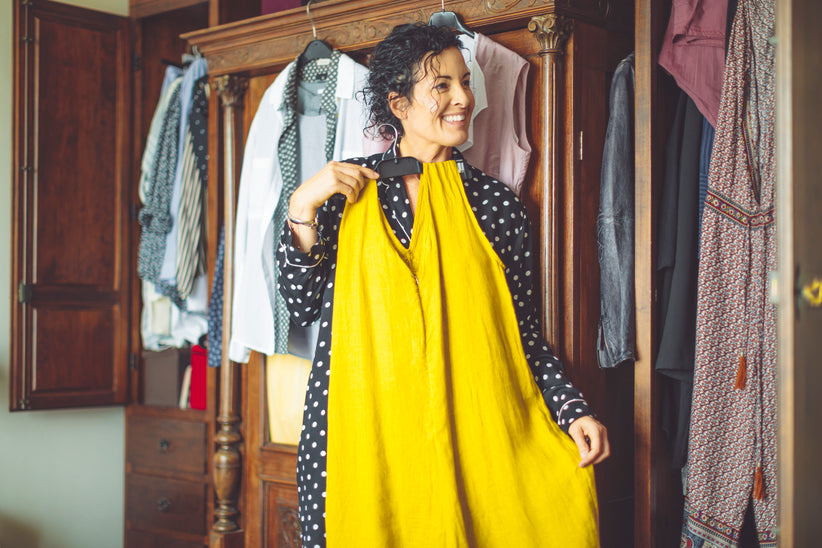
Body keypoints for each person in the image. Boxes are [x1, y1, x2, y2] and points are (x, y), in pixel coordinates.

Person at [277, 22, 610, 547]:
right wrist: (300, 208)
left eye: (465, 82)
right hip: (365, 434)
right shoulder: (342, 191)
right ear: (399, 104)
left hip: (470, 431)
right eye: (442, 86)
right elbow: (300, 305)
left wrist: (573, 410)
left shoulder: (496, 206)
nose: (463, 99)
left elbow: (520, 333)